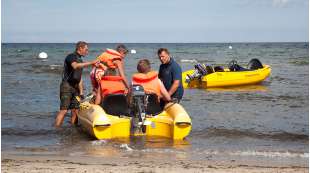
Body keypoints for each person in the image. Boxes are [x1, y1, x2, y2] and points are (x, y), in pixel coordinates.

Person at [55, 41, 98, 127]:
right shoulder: (71, 56)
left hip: (75, 88)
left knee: (75, 110)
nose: (87, 51)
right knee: (64, 110)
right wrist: (91, 63)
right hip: (66, 86)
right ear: (80, 48)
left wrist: (81, 92)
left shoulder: (80, 60)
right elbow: (75, 66)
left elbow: (79, 78)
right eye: (86, 49)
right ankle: (56, 129)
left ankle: (73, 128)